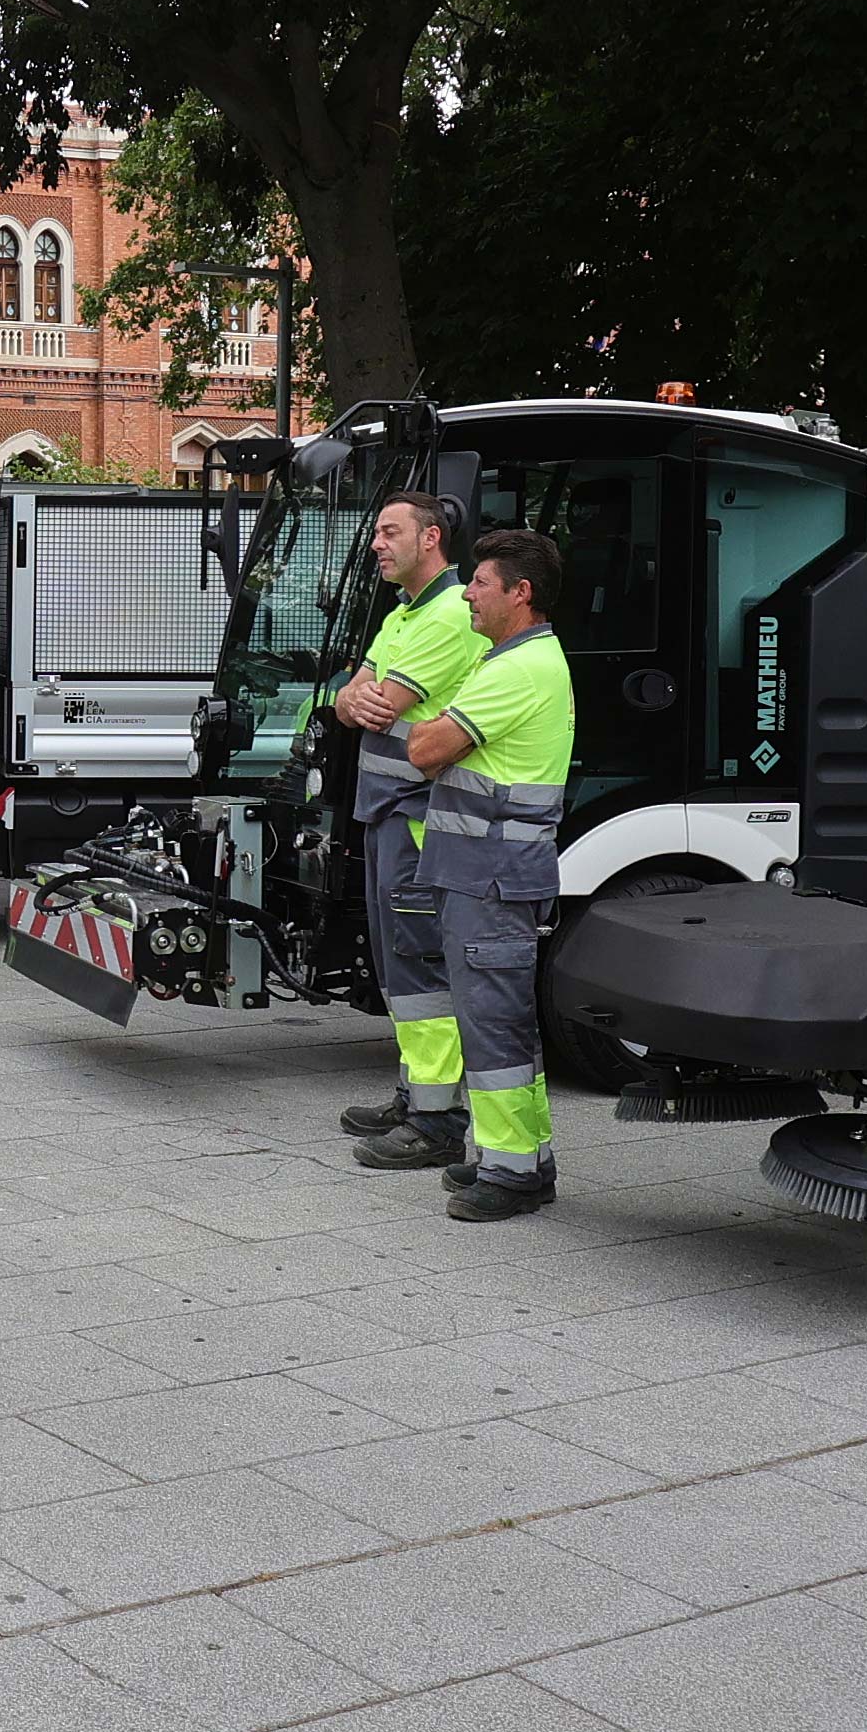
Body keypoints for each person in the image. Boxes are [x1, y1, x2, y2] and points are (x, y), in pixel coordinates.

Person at [408, 528, 579, 1221]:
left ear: (521, 592)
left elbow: (425, 747)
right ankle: (522, 1159)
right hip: (490, 876)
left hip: (492, 880)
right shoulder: (510, 658)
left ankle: (511, 1177)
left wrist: (434, 733)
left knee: (494, 1029)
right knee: (502, 1024)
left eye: (481, 582)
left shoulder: (517, 670)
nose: (469, 592)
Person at [329, 492, 490, 1168]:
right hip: (389, 808)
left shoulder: (450, 614)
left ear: (432, 538)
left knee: (419, 966)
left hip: (419, 814)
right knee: (400, 965)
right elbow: (346, 698)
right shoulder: (404, 613)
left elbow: (379, 704)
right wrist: (348, 694)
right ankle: (416, 1093)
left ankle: (438, 1119)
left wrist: (358, 698)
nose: (377, 544)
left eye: (390, 532)